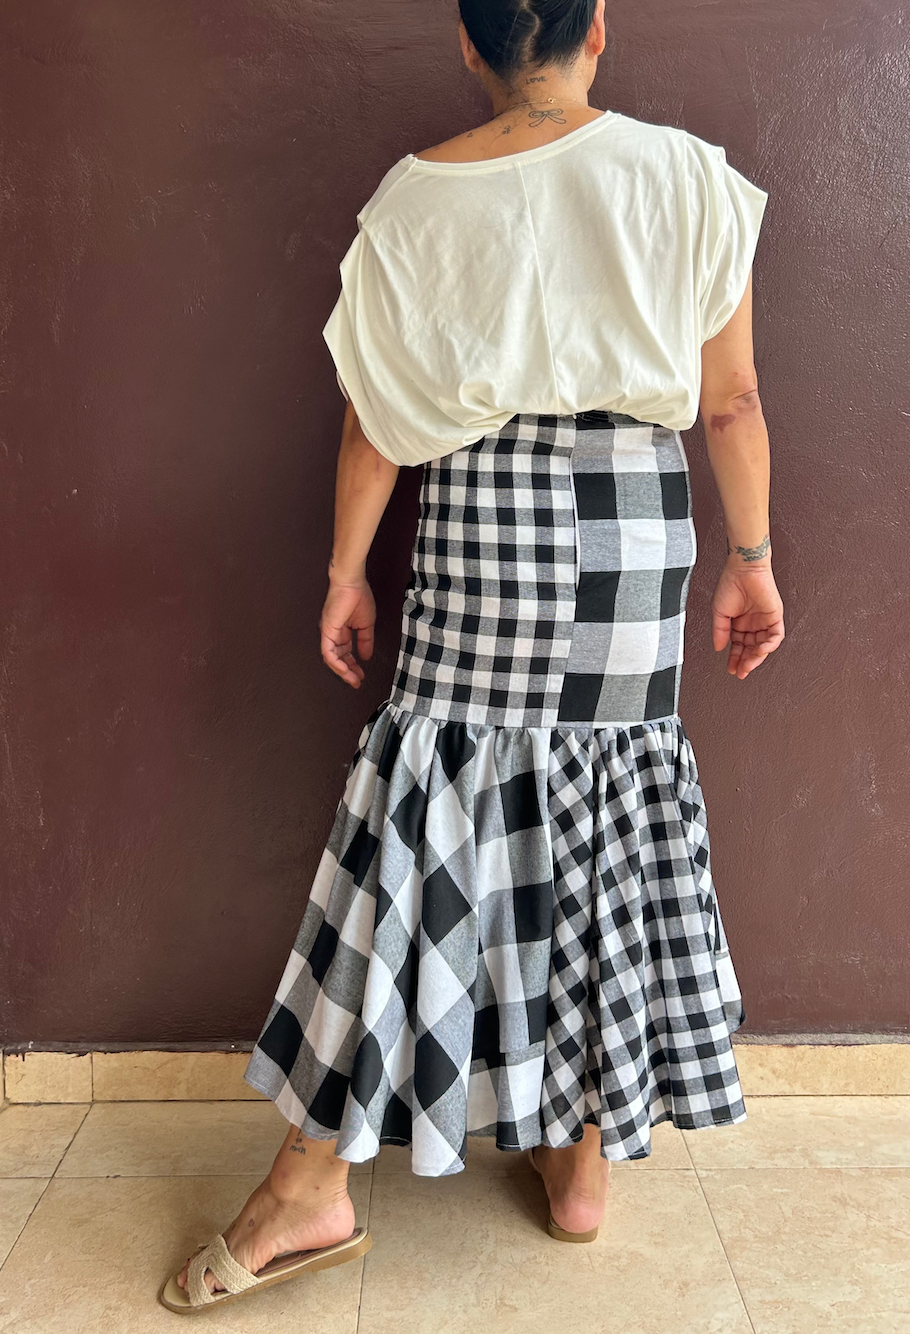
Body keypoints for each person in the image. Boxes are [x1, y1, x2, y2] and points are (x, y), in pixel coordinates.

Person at [160, 0, 784, 1313]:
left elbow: (376, 421)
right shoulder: (687, 177)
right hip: (635, 525)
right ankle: (581, 1160)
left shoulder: (415, 201)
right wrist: (753, 556)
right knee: (602, 817)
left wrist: (346, 574)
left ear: (469, 41)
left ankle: (313, 1183)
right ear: (596, 27)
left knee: (433, 817)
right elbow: (731, 400)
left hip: (489, 518)